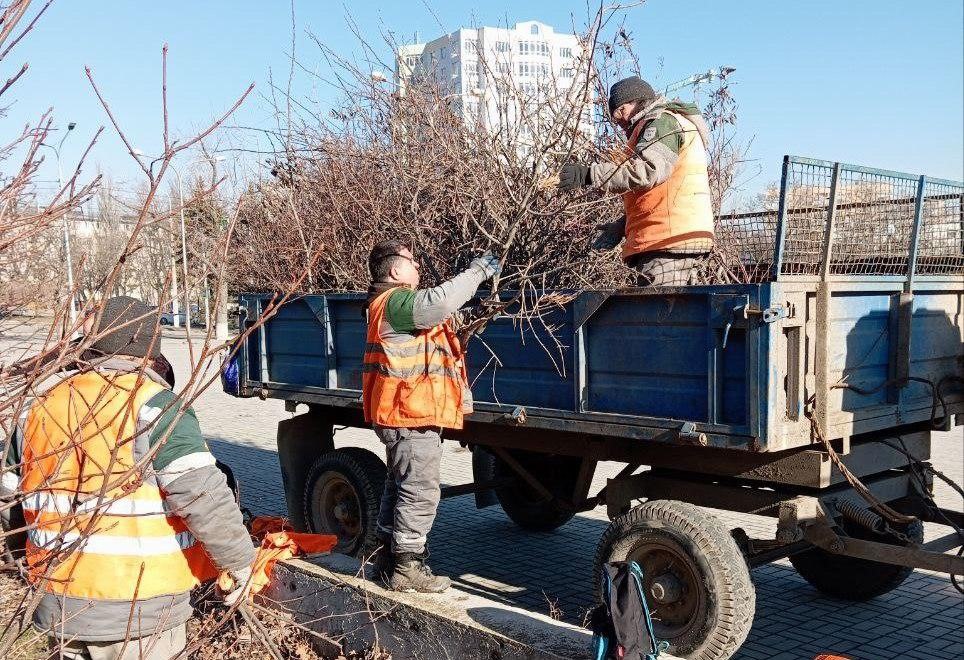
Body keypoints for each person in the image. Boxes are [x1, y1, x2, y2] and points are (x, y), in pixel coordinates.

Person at [1, 296, 255, 660]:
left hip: (58, 604)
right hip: (140, 611)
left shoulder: (39, 407)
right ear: (149, 350)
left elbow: (10, 497)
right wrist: (241, 564)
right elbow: (203, 495)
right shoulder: (154, 407)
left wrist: (25, 560)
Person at [363, 241, 499, 593]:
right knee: (420, 492)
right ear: (395, 271)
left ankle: (385, 559)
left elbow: (439, 325)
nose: (418, 267)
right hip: (410, 414)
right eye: (412, 261)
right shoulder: (396, 302)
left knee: (400, 487)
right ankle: (408, 570)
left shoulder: (394, 308)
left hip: (403, 413)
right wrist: (478, 272)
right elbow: (437, 303)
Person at [557, 75, 716, 286]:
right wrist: (623, 226)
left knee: (658, 317)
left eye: (620, 110)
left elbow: (647, 172)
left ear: (638, 101)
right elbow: (663, 193)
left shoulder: (661, 123)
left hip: (667, 243)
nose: (617, 120)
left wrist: (588, 174)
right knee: (678, 317)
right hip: (676, 239)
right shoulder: (665, 123)